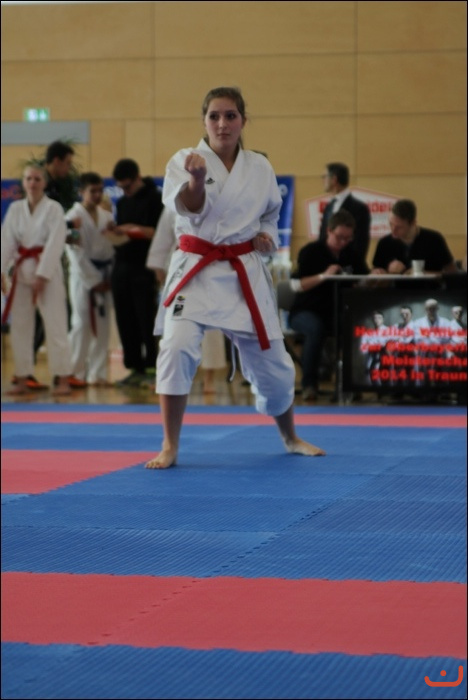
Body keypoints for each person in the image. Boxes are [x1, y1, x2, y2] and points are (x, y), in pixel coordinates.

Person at [146, 86, 325, 469]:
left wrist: (266, 236)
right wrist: (197, 181)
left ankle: (290, 436)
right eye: (214, 116)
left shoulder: (259, 167)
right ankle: (169, 445)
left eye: (230, 116)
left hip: (243, 271)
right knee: (175, 348)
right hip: (195, 269)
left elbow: (270, 214)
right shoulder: (184, 160)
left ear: (243, 120)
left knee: (276, 366)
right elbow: (189, 209)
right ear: (204, 121)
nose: (222, 124)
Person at [1, 164, 72, 395]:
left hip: (47, 273)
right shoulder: (15, 209)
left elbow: (56, 242)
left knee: (56, 325)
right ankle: (22, 377)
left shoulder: (54, 209)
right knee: (20, 326)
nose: (32, 183)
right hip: (21, 271)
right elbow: (6, 241)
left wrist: (42, 274)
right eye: (28, 179)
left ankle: (62, 378)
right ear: (23, 183)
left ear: (45, 183)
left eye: (37, 179)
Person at [288, 210, 369, 401]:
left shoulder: (351, 254)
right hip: (305, 311)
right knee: (315, 329)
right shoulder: (311, 251)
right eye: (339, 237)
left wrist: (374, 277)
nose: (343, 242)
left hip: (336, 312)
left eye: (348, 238)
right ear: (329, 231)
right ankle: (309, 384)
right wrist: (324, 276)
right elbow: (297, 285)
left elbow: (363, 279)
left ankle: (351, 384)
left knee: (356, 329)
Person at [146, 208, 227, 394]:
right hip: (182, 280)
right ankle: (168, 377)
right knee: (175, 325)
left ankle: (209, 378)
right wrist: (160, 271)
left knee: (212, 328)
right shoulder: (173, 205)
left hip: (212, 274)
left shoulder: (218, 201)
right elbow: (162, 239)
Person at [106, 158, 164, 387]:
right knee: (125, 319)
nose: (125, 191)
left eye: (128, 186)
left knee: (146, 319)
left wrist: (133, 229)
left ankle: (152, 366)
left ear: (138, 178)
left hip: (144, 266)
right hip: (122, 264)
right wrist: (116, 232)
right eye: (121, 187)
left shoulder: (155, 199)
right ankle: (135, 367)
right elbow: (122, 232)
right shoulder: (121, 202)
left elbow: (159, 233)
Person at [65, 172, 115, 386]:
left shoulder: (107, 217)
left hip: (105, 274)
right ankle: (75, 372)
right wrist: (94, 280)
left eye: (100, 190)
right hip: (82, 277)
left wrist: (108, 276)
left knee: (103, 326)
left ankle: (98, 374)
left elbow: (113, 248)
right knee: (81, 323)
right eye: (92, 191)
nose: (97, 194)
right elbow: (74, 252)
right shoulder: (72, 217)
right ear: (81, 192)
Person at [371, 199, 458, 275]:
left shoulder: (434, 239)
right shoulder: (384, 243)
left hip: (428, 288)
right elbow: (375, 272)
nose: (393, 230)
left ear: (413, 223)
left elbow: (452, 273)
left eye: (399, 227)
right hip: (394, 288)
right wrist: (379, 273)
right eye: (391, 224)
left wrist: (422, 274)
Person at [319, 162, 371, 262]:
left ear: (334, 179)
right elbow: (322, 237)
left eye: (324, 176)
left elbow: (360, 242)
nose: (322, 180)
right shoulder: (328, 207)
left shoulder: (359, 208)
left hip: (348, 265)